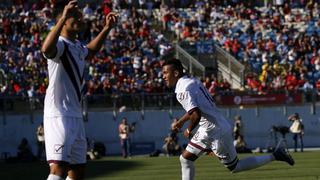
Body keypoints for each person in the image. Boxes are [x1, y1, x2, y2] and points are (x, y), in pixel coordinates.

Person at [162, 59, 294, 180]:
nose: (163, 76)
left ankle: (276, 155)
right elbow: (196, 110)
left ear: (176, 72)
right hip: (208, 128)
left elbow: (195, 114)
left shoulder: (182, 90)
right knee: (185, 159)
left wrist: (189, 129)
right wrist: (181, 121)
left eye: (165, 73)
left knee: (235, 167)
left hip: (216, 131)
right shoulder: (191, 81)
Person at [41, 1, 118, 179]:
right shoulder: (60, 44)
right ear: (65, 19)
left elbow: (90, 51)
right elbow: (46, 49)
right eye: (75, 16)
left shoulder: (76, 46)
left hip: (75, 115)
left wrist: (106, 28)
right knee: (58, 169)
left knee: (77, 172)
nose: (80, 18)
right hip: (59, 115)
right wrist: (61, 19)